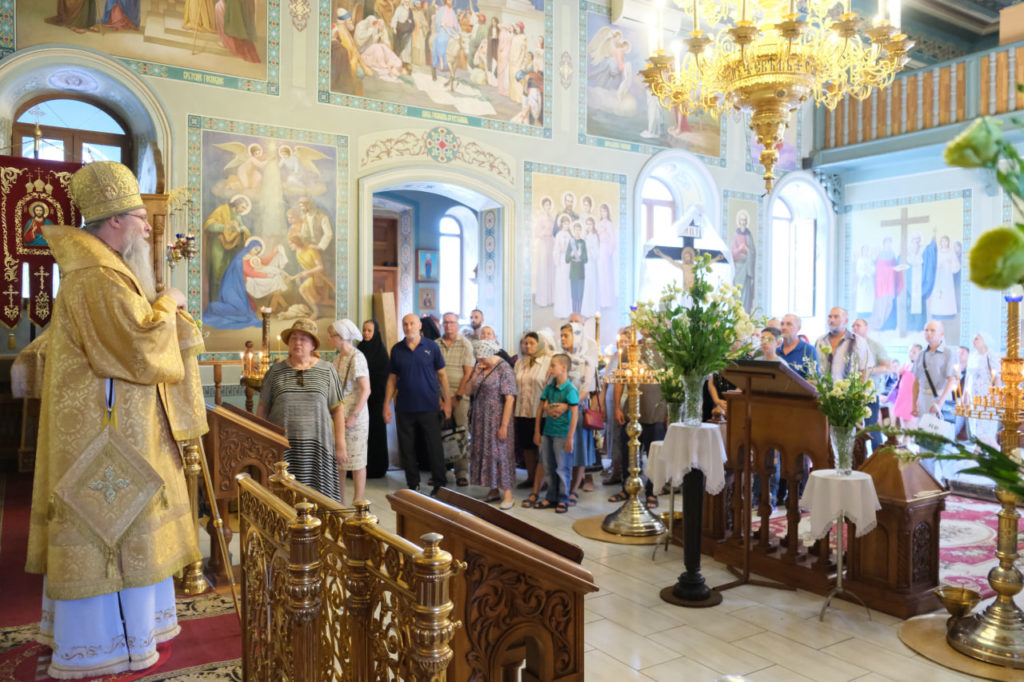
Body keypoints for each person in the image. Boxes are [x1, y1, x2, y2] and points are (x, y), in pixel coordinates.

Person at [27, 161, 201, 678]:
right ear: (115, 222)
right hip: (109, 438)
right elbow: (143, 348)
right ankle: (105, 644)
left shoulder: (101, 272)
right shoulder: (98, 277)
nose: (150, 227)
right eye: (141, 218)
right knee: (111, 536)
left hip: (113, 430)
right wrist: (169, 304)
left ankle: (132, 631)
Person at [258, 319, 346, 501]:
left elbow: (338, 410)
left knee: (319, 499)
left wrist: (340, 445)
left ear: (313, 344)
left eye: (304, 339)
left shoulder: (327, 370)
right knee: (284, 499)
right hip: (283, 448)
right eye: (294, 338)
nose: (298, 343)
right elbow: (262, 409)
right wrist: (262, 442)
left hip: (318, 447)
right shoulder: (275, 372)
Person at [384, 314, 452, 495]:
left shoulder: (432, 347)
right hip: (404, 408)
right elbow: (392, 379)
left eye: (412, 323)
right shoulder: (397, 349)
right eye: (405, 324)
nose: (408, 327)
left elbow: (442, 375)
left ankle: (440, 483)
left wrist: (447, 402)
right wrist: (386, 405)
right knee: (407, 449)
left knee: (434, 446)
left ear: (419, 325)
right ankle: (413, 484)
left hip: (429, 406)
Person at [607, 333, 665, 509]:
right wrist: (617, 406)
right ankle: (627, 488)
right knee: (628, 451)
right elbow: (620, 379)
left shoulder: (664, 351)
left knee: (655, 453)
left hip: (657, 410)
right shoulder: (630, 350)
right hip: (631, 408)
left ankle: (652, 491)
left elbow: (671, 381)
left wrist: (671, 410)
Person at [467, 338, 518, 509]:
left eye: (482, 358)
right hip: (481, 419)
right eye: (478, 358)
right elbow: (470, 390)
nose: (480, 361)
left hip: (497, 419)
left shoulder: (504, 368)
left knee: (500, 454)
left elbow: (510, 398)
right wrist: (475, 372)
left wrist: (504, 426)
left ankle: (508, 494)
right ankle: (493, 490)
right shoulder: (481, 367)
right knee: (486, 453)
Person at [329, 319, 371, 505]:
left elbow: (366, 389)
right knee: (340, 460)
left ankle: (358, 501)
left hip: (356, 416)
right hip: (339, 416)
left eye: (332, 336)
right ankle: (340, 501)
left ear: (342, 337)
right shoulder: (337, 358)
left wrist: (354, 415)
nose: (330, 339)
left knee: (357, 460)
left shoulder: (357, 357)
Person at [911, 319, 959, 478]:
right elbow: (916, 381)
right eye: (926, 330)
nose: (928, 333)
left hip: (941, 399)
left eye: (932, 330)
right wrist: (913, 404)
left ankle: (947, 480)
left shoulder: (949, 352)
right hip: (924, 400)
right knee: (925, 442)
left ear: (941, 334)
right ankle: (929, 480)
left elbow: (952, 380)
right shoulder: (921, 354)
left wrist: (939, 403)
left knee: (942, 442)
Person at [533, 353, 579, 513]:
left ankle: (563, 498)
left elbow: (575, 414)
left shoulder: (570, 389)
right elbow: (540, 409)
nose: (550, 368)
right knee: (548, 466)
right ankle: (551, 497)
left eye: (553, 365)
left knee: (562, 467)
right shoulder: (549, 387)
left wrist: (570, 438)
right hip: (548, 432)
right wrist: (537, 431)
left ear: (564, 368)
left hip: (562, 433)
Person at [561, 322, 599, 505]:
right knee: (562, 450)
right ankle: (562, 487)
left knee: (578, 451)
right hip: (560, 410)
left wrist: (570, 403)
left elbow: (586, 389)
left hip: (577, 409)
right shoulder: (561, 359)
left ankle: (573, 489)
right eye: (561, 336)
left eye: (566, 336)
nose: (563, 339)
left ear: (576, 336)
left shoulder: (586, 362)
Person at [438, 312, 475, 486]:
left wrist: (457, 397)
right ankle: (442, 471)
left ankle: (462, 473)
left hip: (460, 397)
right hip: (439, 396)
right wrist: (441, 398)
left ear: (457, 325)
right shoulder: (436, 344)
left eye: (452, 322)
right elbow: (433, 373)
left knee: (460, 433)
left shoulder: (465, 344)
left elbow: (468, 373)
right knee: (441, 435)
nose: (448, 326)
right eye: (445, 322)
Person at [515, 331, 552, 506]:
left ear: (540, 344)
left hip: (541, 412)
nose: (527, 346)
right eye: (525, 343)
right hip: (522, 410)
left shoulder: (548, 362)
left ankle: (542, 481)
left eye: (531, 343)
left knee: (541, 448)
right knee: (527, 447)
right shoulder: (520, 363)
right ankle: (531, 478)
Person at [852, 318, 891, 452]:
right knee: (852, 427)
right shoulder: (849, 345)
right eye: (853, 325)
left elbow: (887, 367)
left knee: (871, 427)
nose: (855, 328)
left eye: (858, 325)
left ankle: (877, 458)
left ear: (866, 328)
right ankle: (858, 458)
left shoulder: (875, 346)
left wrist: (867, 370)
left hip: (870, 393)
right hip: (851, 392)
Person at [358, 319, 391, 478]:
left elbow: (384, 376)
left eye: (369, 330)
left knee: (375, 433)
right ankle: (359, 467)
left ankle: (377, 467)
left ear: (375, 332)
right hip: (361, 399)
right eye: (364, 330)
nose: (366, 333)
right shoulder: (360, 348)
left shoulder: (381, 352)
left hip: (376, 399)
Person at [814, 307, 869, 381]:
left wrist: (858, 391)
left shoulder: (858, 341)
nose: (832, 320)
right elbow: (814, 367)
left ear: (846, 321)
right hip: (822, 391)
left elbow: (864, 370)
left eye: (836, 317)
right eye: (830, 317)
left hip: (848, 391)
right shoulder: (820, 340)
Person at [966, 332, 999, 446]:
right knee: (976, 427)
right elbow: (968, 377)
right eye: (973, 339)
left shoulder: (990, 355)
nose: (974, 341)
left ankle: (989, 450)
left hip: (987, 397)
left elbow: (997, 378)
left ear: (985, 341)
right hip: (974, 397)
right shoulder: (973, 356)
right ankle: (979, 451)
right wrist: (966, 395)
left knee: (985, 429)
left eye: (977, 339)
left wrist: (996, 396)